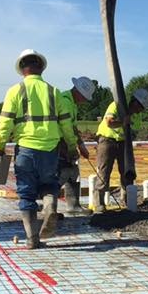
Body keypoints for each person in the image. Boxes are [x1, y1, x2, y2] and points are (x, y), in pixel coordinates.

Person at [0, 49, 78, 249]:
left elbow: (5, 123)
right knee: (49, 185)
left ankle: (33, 239)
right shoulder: (54, 91)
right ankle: (50, 206)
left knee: (26, 194)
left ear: (22, 70)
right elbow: (66, 124)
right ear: (41, 68)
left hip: (26, 149)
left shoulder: (15, 91)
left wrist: (1, 146)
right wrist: (72, 146)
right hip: (51, 150)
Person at [92, 88, 148, 211]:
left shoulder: (137, 117)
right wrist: (123, 122)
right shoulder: (116, 105)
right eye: (140, 107)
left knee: (127, 172)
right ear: (135, 102)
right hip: (107, 140)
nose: (141, 110)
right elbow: (109, 122)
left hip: (123, 143)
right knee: (103, 172)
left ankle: (127, 200)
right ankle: (99, 204)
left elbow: (133, 133)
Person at [57, 76, 96, 215]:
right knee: (60, 174)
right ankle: (50, 209)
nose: (85, 102)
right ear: (79, 92)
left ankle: (73, 205)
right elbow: (66, 128)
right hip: (59, 142)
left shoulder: (72, 103)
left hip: (66, 141)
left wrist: (81, 145)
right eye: (85, 98)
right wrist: (71, 148)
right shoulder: (65, 101)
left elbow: (73, 127)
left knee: (73, 172)